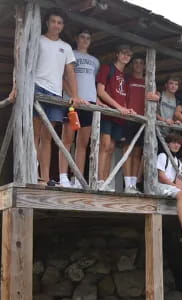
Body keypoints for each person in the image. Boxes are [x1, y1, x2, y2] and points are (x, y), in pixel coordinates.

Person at [34, 8, 84, 184]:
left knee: (48, 137)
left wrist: (75, 95)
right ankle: (31, 173)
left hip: (55, 93)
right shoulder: (37, 40)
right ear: (47, 22)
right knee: (34, 134)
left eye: (60, 23)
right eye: (54, 21)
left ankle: (44, 178)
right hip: (37, 87)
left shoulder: (66, 47)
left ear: (63, 26)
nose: (56, 25)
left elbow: (70, 72)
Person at [59, 28, 99, 188]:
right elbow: (63, 78)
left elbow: (91, 83)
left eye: (88, 38)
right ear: (77, 38)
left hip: (89, 104)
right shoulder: (70, 53)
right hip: (72, 103)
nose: (85, 40)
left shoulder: (95, 61)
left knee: (82, 144)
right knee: (67, 140)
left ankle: (78, 179)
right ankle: (63, 177)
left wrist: (96, 101)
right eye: (82, 37)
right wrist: (72, 96)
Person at [96, 44, 135, 191]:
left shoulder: (125, 76)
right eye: (123, 53)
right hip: (108, 112)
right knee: (104, 145)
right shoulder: (107, 68)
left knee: (111, 148)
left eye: (128, 55)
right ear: (117, 54)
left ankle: (105, 182)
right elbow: (101, 91)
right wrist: (117, 107)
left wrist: (126, 108)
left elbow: (123, 97)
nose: (126, 56)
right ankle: (99, 181)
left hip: (119, 115)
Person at [121, 55, 148, 193]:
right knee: (127, 152)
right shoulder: (127, 80)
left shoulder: (148, 82)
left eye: (141, 62)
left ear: (144, 66)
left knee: (137, 153)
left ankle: (133, 184)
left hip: (142, 121)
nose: (138, 65)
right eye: (136, 62)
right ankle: (127, 185)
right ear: (132, 65)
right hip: (129, 119)